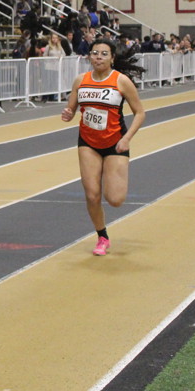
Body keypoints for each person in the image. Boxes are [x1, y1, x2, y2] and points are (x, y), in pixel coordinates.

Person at [60, 36, 145, 256]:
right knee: (92, 195)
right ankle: (102, 237)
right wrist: (68, 114)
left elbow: (140, 113)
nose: (99, 57)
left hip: (115, 142)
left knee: (115, 199)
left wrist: (127, 139)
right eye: (95, 53)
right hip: (88, 142)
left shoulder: (121, 81)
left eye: (104, 54)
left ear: (112, 58)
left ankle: (114, 174)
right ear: (89, 56)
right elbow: (71, 109)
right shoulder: (81, 80)